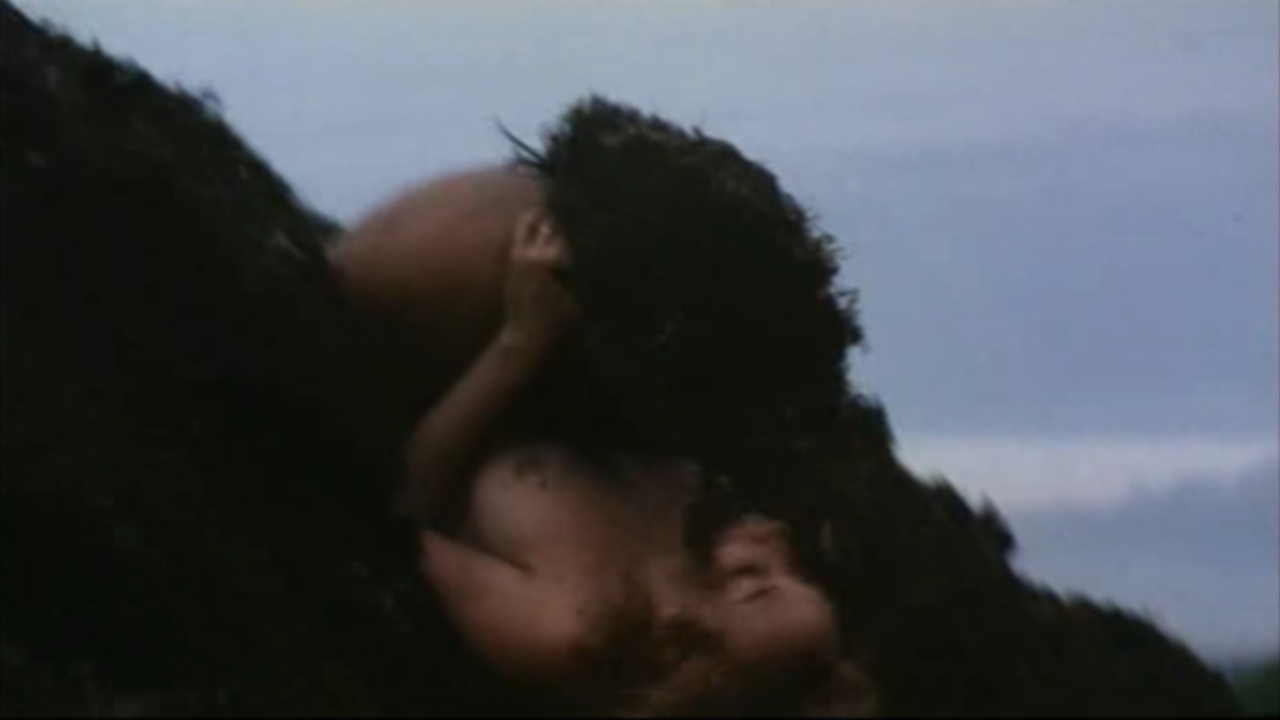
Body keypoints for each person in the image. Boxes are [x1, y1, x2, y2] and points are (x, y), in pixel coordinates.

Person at [374, 209, 872, 716]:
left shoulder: (566, 628)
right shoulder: (705, 513)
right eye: (800, 573)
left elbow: (387, 524)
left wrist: (521, 339)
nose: (777, 536)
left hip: (415, 384)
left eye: (754, 578)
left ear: (686, 636)